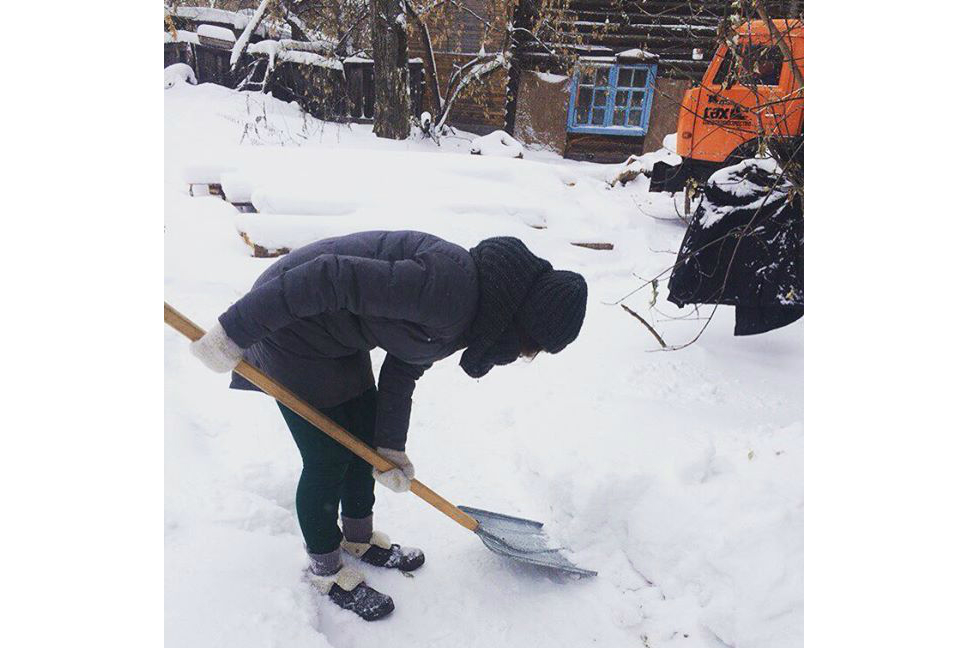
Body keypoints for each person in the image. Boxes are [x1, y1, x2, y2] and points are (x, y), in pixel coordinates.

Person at [190, 230, 587, 620]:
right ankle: (326, 569)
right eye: (527, 348)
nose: (520, 356)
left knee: (365, 436)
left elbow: (407, 359)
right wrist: (236, 330)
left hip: (337, 335)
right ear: (518, 324)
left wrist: (390, 446)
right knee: (327, 458)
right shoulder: (446, 291)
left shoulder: (473, 307)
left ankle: (358, 540)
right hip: (290, 322)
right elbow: (327, 276)